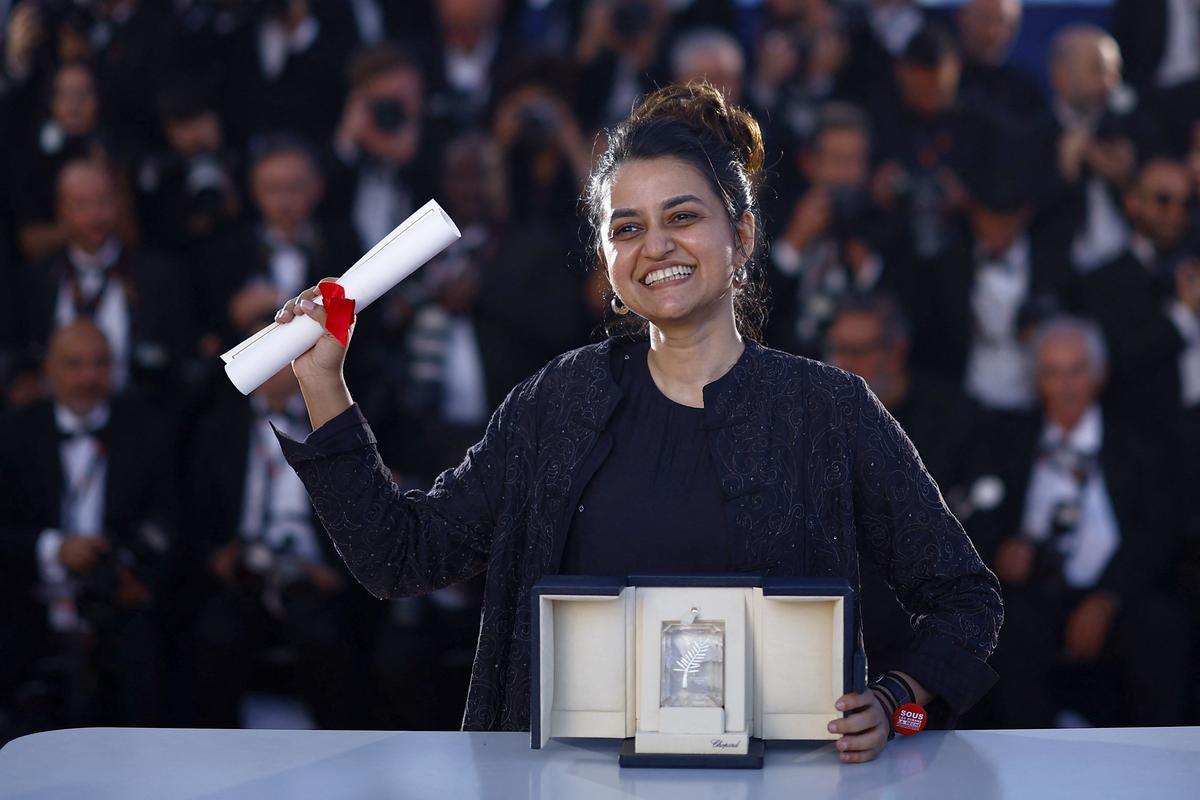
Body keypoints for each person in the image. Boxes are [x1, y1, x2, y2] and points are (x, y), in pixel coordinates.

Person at [269, 83, 1002, 762]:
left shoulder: (831, 411)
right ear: (608, 259)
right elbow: (401, 558)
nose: (655, 246)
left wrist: (898, 702)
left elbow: (966, 600)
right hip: (573, 784)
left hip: (783, 784)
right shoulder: (556, 401)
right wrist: (324, 383)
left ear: (741, 238)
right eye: (628, 228)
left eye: (683, 217)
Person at [955, 316, 1188, 729]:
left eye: (1076, 370)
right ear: (1035, 377)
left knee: (1162, 628)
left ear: (1099, 372)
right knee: (998, 633)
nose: (1065, 386)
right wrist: (1000, 551)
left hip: (1117, 594)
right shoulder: (1006, 442)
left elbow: (1157, 531)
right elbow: (976, 516)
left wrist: (1106, 598)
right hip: (1032, 596)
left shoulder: (1137, 445)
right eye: (1052, 372)